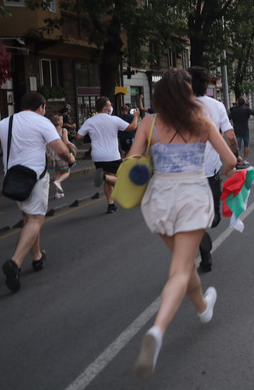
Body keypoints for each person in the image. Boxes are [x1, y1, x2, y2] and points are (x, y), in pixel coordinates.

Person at [128, 68, 237, 380]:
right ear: (189, 94)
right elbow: (229, 160)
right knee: (180, 269)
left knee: (185, 264)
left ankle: (203, 308)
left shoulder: (149, 123)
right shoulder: (201, 121)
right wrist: (230, 176)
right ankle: (158, 330)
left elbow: (132, 162)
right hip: (191, 194)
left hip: (159, 199)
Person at [0, 91, 78, 293]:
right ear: (41, 107)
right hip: (35, 177)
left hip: (14, 180)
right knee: (36, 219)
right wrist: (70, 159)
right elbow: (59, 149)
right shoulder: (42, 122)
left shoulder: (5, 122)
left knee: (29, 218)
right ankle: (14, 263)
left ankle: (37, 258)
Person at [188, 66, 241, 273]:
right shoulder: (217, 106)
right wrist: (235, 156)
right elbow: (230, 137)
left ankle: (201, 241)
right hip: (209, 172)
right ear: (207, 84)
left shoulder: (180, 106)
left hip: (184, 172)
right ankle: (205, 254)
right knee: (214, 218)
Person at [77, 96, 140, 213]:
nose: (111, 106)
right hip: (112, 155)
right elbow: (132, 127)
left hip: (97, 156)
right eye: (110, 104)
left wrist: (92, 135)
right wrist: (136, 117)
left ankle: (111, 205)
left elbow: (78, 136)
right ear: (106, 108)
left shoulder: (90, 121)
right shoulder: (114, 120)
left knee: (108, 180)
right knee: (119, 180)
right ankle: (104, 177)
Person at [47, 113, 78, 198]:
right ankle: (58, 182)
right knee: (66, 172)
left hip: (51, 155)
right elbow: (66, 142)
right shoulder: (63, 130)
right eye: (61, 120)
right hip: (61, 154)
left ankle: (58, 193)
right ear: (59, 122)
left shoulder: (49, 130)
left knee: (58, 172)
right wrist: (73, 146)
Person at [229, 97, 254, 166]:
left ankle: (236, 159)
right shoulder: (247, 109)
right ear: (244, 103)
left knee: (237, 146)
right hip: (245, 129)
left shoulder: (233, 110)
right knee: (246, 145)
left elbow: (228, 117)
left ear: (237, 103)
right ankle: (245, 160)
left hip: (237, 130)